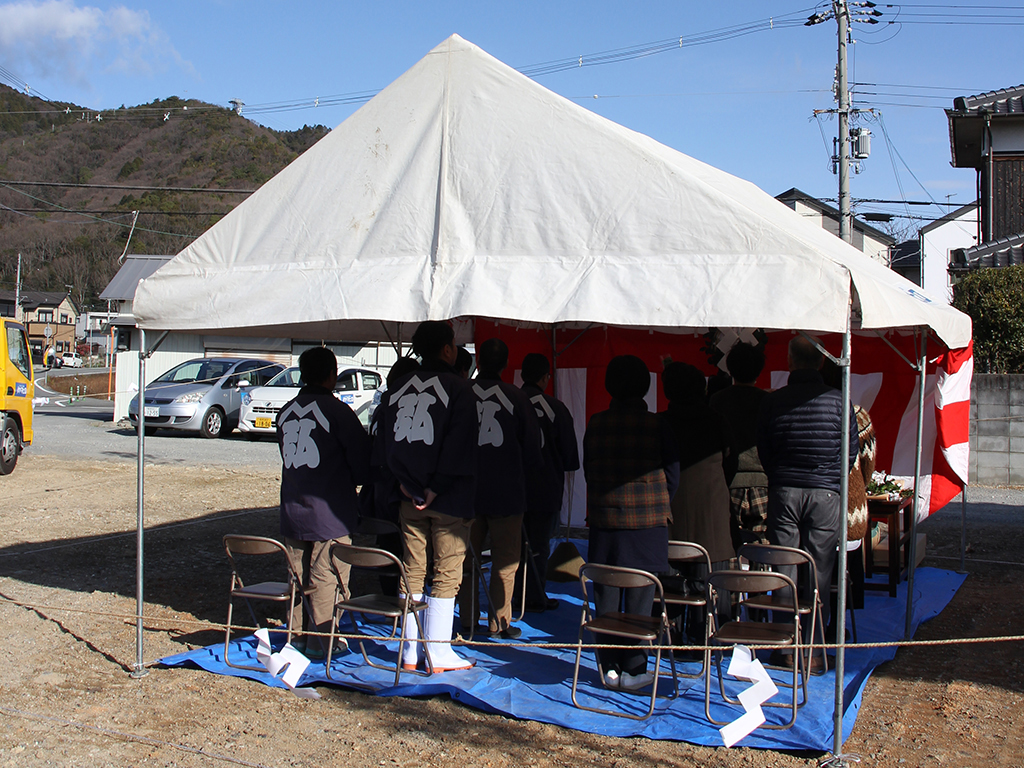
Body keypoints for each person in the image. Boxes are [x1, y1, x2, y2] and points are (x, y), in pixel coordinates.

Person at [380, 321, 479, 672]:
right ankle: (437, 651)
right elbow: (459, 444)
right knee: (447, 570)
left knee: (412, 569)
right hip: (448, 497)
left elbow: (389, 442)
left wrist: (406, 483)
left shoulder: (398, 388)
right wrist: (437, 485)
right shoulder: (459, 388)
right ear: (448, 349)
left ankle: (409, 651)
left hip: (409, 496)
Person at [756, 336, 858, 671]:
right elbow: (851, 452)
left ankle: (785, 648)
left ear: (789, 361)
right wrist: (830, 480)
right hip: (825, 493)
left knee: (784, 569)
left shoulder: (774, 401)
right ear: (822, 363)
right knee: (820, 571)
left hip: (785, 489)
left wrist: (781, 475)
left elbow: (764, 449)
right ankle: (814, 652)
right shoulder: (839, 402)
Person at [583, 355, 679, 691]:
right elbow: (672, 476)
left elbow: (589, 469)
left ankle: (607, 666)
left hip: (605, 524)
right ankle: (636, 667)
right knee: (641, 598)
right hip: (648, 526)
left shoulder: (596, 422)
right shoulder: (658, 425)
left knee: (606, 597)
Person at [277, 346, 371, 658]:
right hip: (331, 512)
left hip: (293, 507)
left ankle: (295, 637)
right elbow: (360, 464)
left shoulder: (286, 411)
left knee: (296, 576)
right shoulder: (338, 412)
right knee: (326, 576)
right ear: (333, 375)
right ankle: (322, 641)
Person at [458, 339, 542, 639]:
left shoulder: (461, 394)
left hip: (466, 492)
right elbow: (533, 449)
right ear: (506, 364)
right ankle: (499, 622)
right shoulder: (517, 398)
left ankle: (466, 620)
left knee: (466, 560)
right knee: (506, 561)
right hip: (507, 492)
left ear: (477, 362)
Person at [659, 362, 736, 631]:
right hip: (711, 510)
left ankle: (672, 634)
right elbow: (731, 462)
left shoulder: (661, 423)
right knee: (713, 580)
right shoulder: (717, 420)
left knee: (670, 582)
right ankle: (713, 636)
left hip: (670, 510)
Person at [516, 352, 580, 613]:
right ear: (545, 378)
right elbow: (570, 459)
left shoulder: (509, 402)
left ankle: (512, 595)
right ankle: (535, 596)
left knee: (512, 545)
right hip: (545, 489)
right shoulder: (557, 408)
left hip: (512, 488)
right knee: (539, 545)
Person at [363, 357, 421, 596]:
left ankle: (389, 596)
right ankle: (395, 599)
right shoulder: (400, 408)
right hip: (395, 489)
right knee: (401, 548)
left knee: (388, 544)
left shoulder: (381, 408)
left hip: (378, 488)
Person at [709, 342, 771, 551]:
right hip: (763, 482)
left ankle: (733, 582)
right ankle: (762, 581)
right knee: (762, 545)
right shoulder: (767, 401)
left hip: (729, 481)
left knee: (730, 542)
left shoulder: (717, 401)